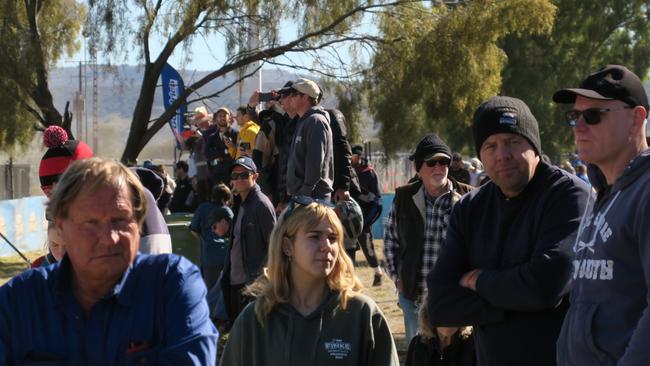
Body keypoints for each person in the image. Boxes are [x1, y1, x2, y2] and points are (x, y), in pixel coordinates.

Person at [0, 157, 217, 364]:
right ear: (61, 227)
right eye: (91, 223)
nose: (109, 237)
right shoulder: (19, 303)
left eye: (120, 220)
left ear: (139, 223)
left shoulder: (172, 286)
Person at [427, 96, 590, 366]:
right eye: (491, 145)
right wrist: (518, 299)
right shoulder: (470, 208)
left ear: (535, 147)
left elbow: (545, 286)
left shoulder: (569, 196)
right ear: (481, 155)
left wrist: (478, 281)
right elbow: (441, 305)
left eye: (513, 141)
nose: (502, 154)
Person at [220, 196, 399, 365]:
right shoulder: (255, 319)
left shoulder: (363, 315)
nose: (327, 246)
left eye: (333, 238)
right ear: (287, 246)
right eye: (314, 236)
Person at [552, 64, 650, 365]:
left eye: (593, 116)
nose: (579, 127)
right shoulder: (602, 192)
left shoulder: (645, 191)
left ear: (636, 119)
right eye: (575, 116)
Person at [383, 134, 472, 343]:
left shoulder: (468, 197)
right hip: (414, 296)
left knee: (458, 353)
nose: (438, 167)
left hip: (456, 296)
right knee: (421, 353)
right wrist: (397, 279)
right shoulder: (404, 197)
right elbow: (389, 243)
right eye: (431, 162)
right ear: (419, 168)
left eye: (443, 162)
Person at [221, 157, 276, 324]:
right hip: (235, 282)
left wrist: (264, 281)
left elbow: (274, 246)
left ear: (255, 176)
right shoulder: (239, 203)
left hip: (253, 285)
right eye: (235, 176)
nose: (239, 179)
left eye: (244, 175)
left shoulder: (261, 205)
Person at [282, 78, 334, 200]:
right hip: (304, 197)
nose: (290, 98)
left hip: (312, 198)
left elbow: (315, 162)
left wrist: (305, 193)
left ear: (305, 97)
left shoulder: (315, 121)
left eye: (294, 94)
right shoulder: (304, 121)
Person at [405, 293, 475, 366]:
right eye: (442, 311)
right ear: (428, 315)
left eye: (454, 311)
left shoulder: (473, 345)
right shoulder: (418, 345)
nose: (448, 319)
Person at [350, 144, 384, 286]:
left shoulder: (369, 173)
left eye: (355, 156)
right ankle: (348, 278)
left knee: (368, 247)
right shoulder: (348, 172)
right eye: (351, 156)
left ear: (361, 157)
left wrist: (367, 222)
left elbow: (377, 201)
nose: (352, 159)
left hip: (365, 216)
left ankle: (378, 273)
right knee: (348, 247)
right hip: (350, 216)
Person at [190, 183, 233, 290]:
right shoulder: (227, 211)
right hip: (226, 256)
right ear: (224, 199)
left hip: (209, 257)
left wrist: (203, 238)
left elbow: (193, 229)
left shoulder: (202, 208)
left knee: (211, 291)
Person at [205, 107, 238, 185]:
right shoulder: (212, 137)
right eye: (220, 116)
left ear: (229, 118)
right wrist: (220, 153)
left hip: (232, 173)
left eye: (224, 116)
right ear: (216, 119)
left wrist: (232, 147)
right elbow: (206, 153)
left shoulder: (236, 134)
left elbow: (240, 151)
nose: (222, 118)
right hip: (217, 173)